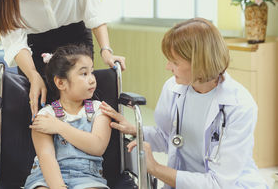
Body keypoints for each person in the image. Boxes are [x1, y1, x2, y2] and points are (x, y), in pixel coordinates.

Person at [100, 18, 268, 188]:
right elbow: (169, 139)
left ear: (199, 62)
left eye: (175, 62)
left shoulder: (239, 105)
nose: (168, 67)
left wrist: (156, 169)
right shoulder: (173, 88)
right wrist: (136, 130)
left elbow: (218, 184)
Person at [25, 44, 111, 189]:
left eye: (92, 72)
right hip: (46, 177)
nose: (92, 80)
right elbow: (46, 157)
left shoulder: (99, 109)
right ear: (60, 82)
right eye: (84, 74)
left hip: (87, 177)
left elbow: (97, 146)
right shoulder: (46, 115)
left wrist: (59, 126)